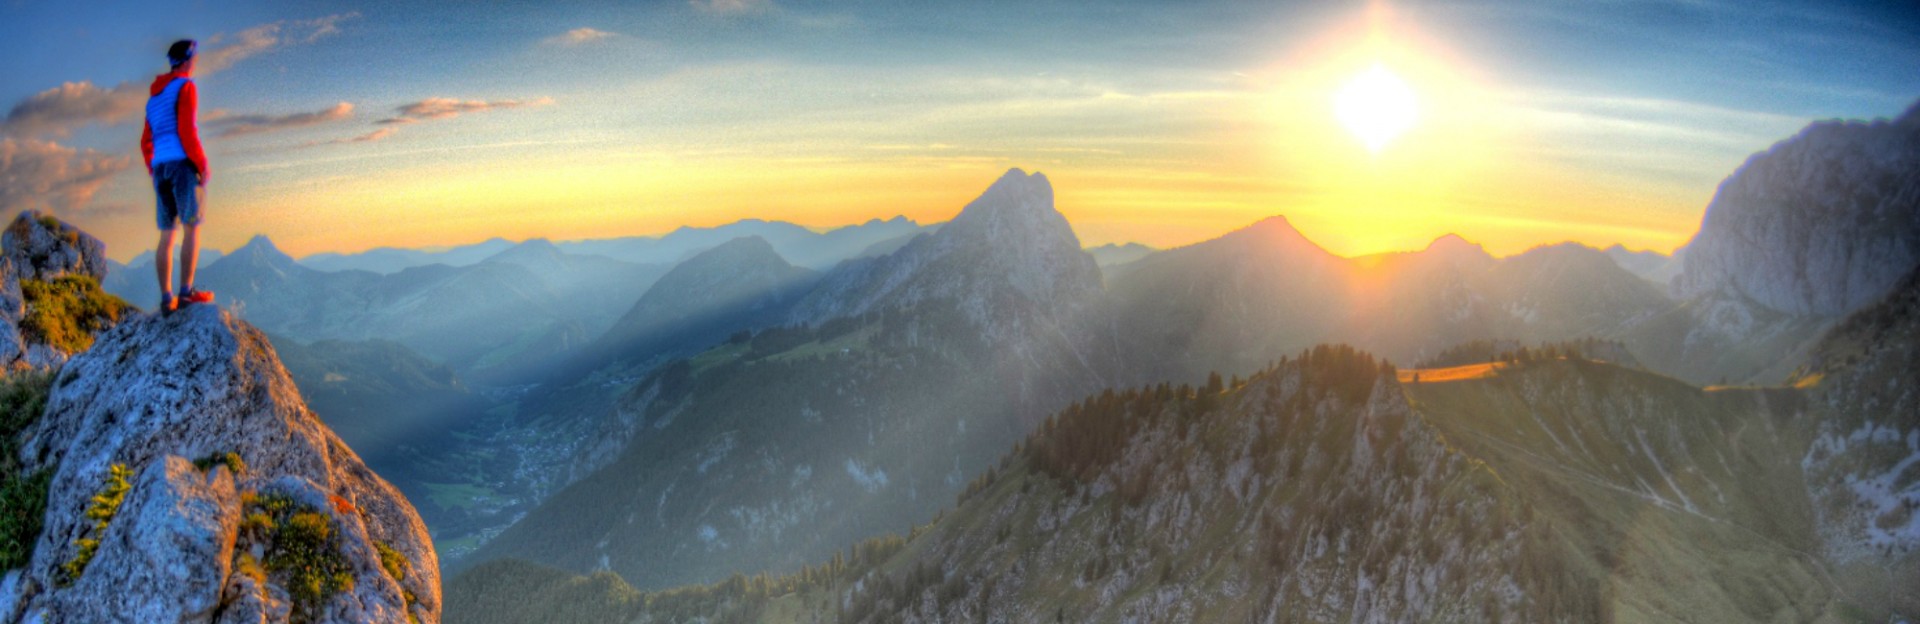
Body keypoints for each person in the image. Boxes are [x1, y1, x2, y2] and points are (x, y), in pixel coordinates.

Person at [140, 38, 215, 312]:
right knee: (192, 227)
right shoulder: (186, 86)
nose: (196, 63)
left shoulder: (154, 99)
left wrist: (153, 167)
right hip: (182, 163)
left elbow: (145, 140)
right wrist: (202, 164)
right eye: (195, 58)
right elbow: (187, 130)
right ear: (188, 60)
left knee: (166, 234)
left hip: (160, 166)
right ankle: (186, 292)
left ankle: (165, 298)